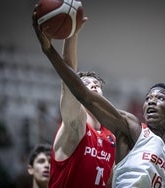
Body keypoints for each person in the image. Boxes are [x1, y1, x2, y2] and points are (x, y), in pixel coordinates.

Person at [32, 9, 165, 188]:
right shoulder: (132, 129)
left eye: (159, 98)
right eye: (148, 97)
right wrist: (50, 50)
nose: (151, 100)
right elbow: (82, 95)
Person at [34, 9, 116, 188]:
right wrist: (72, 33)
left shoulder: (111, 138)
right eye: (86, 83)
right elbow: (69, 81)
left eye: (97, 84)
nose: (94, 85)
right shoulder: (75, 125)